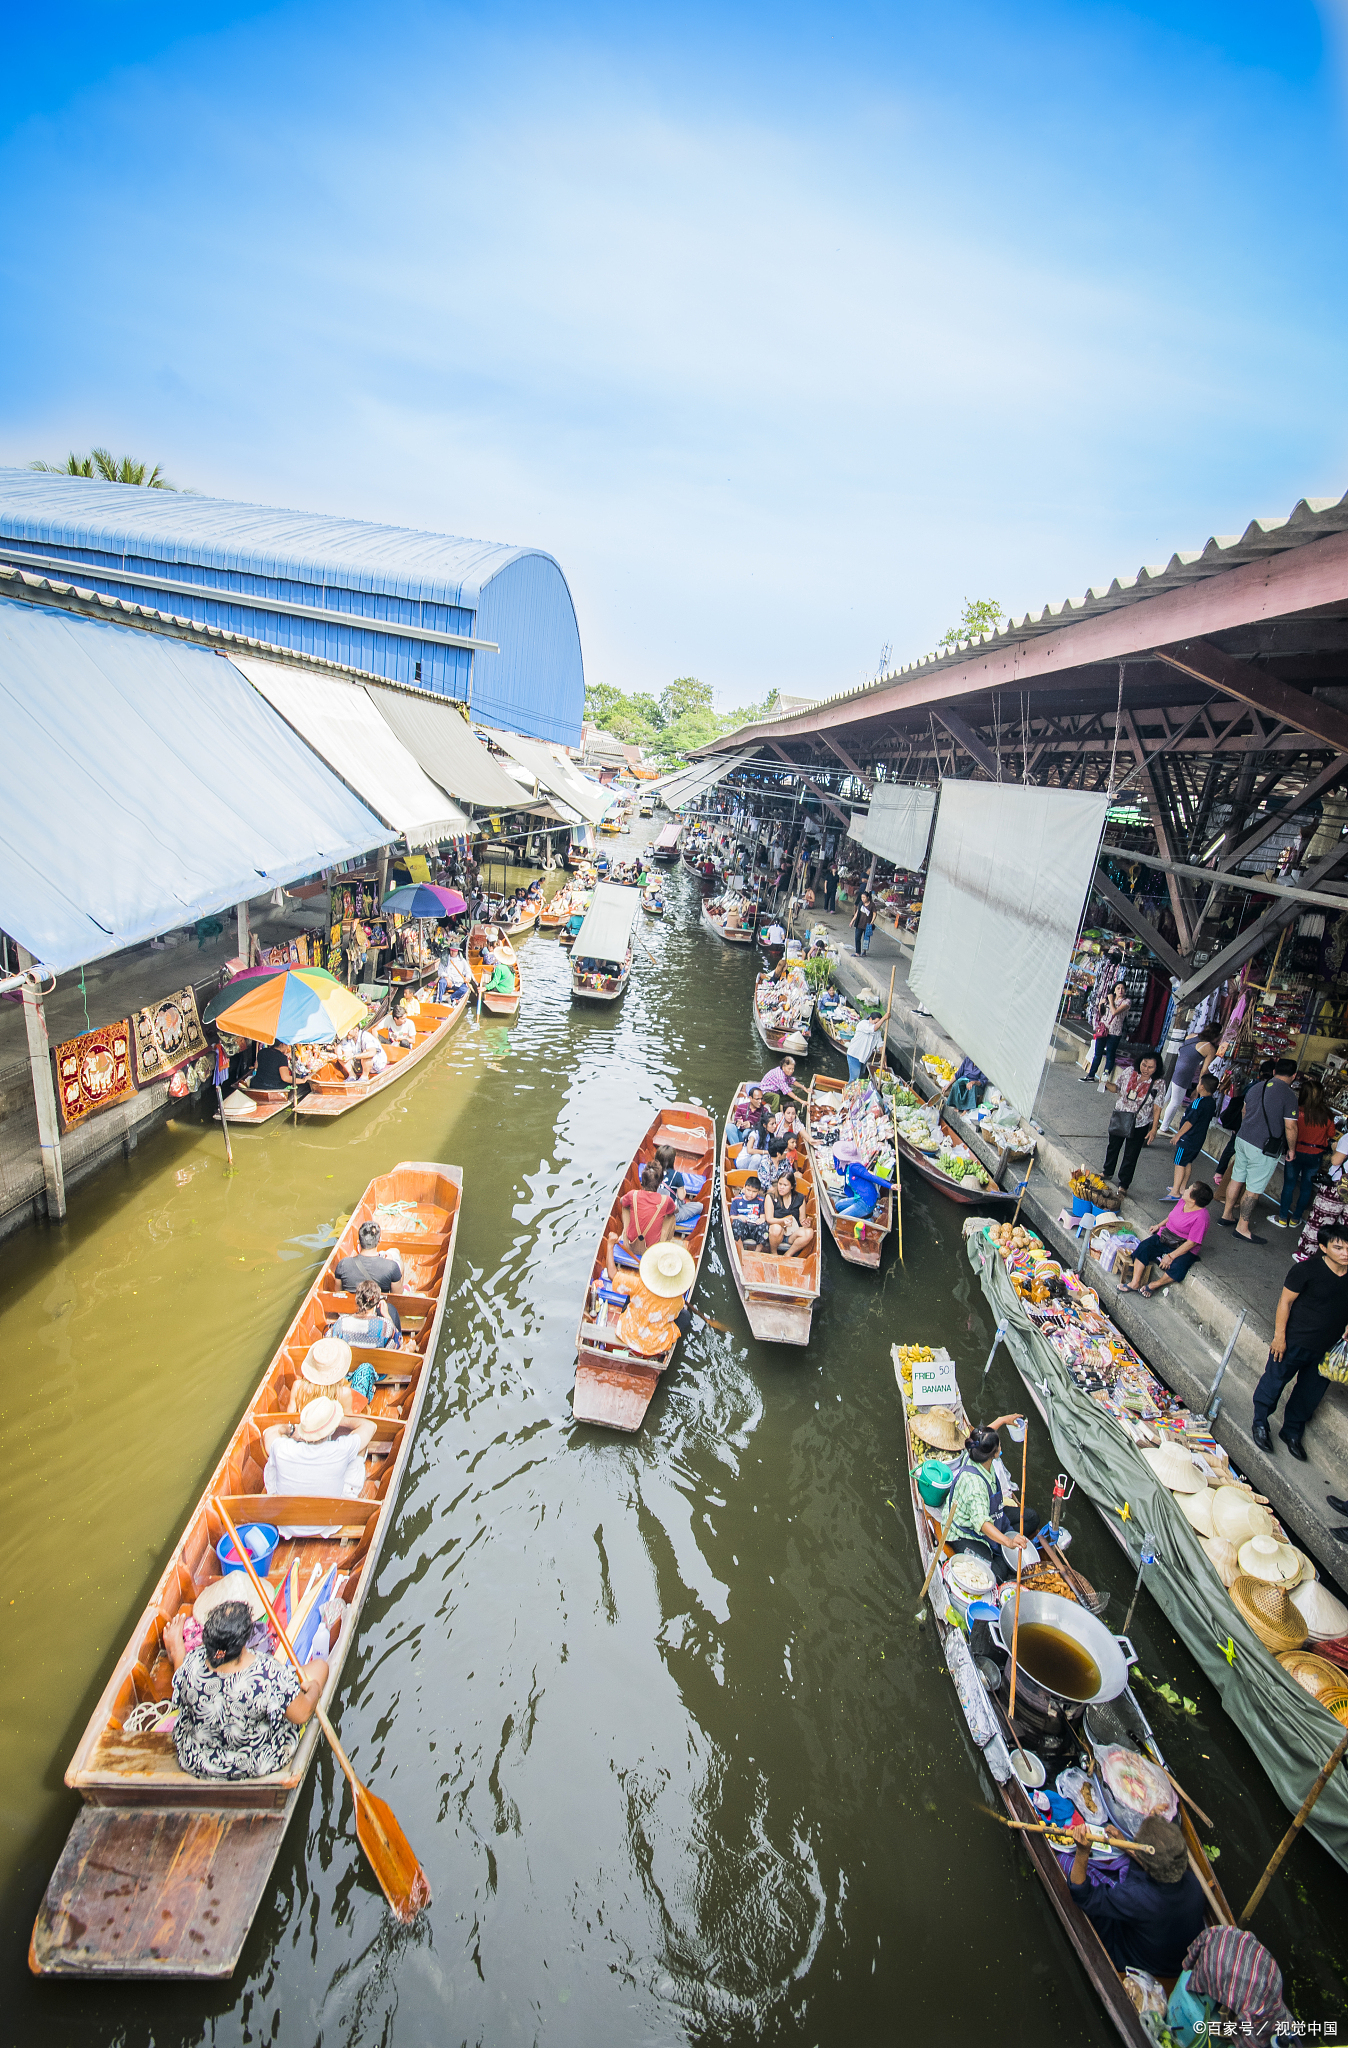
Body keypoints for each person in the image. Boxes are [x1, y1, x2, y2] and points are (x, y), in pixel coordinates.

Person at [164, 1588, 328, 1781]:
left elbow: (180, 1678)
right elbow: (301, 1714)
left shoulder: (192, 1663)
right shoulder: (267, 1673)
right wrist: (314, 1689)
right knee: (320, 1667)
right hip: (254, 1761)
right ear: (243, 1641)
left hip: (200, 1759)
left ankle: (176, 1649)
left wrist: (178, 1652)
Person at [1065, 1814, 1206, 1979]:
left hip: (1141, 1963)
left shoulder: (1137, 1896)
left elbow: (1083, 1895)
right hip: (1172, 1961)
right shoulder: (1193, 1883)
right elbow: (1158, 1865)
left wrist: (1082, 1852)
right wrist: (1127, 1846)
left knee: (1065, 1862)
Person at [1250, 1222, 1348, 1459]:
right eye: (1339, 1248)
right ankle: (1260, 1423)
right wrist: (1279, 1337)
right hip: (1294, 1340)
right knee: (1274, 1382)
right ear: (1324, 1248)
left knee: (1310, 1393)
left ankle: (1292, 1431)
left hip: (1327, 1349)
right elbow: (1285, 1302)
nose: (1345, 1253)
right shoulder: (1306, 1270)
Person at [262, 1396, 378, 1535]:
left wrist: (291, 1429)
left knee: (273, 1459)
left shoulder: (284, 1448)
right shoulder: (340, 1449)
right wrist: (340, 1420)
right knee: (360, 1448)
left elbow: (269, 1432)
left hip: (286, 1524)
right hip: (329, 1524)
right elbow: (370, 1426)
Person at [1219, 1057, 1299, 1243]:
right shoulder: (1289, 1096)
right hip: (1263, 1147)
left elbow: (1244, 1112)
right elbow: (1290, 1127)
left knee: (1237, 1178)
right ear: (1294, 1076)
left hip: (1243, 1138)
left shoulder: (1256, 1087)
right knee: (1253, 1189)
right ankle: (1242, 1227)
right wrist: (1292, 1149)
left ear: (1274, 1072)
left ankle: (1227, 1215)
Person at [944, 1420, 1032, 1583]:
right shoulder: (976, 1486)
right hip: (968, 1532)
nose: (1001, 1446)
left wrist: (1005, 1420)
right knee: (998, 1575)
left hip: (993, 1512)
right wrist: (1009, 1542)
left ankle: (1001, 1543)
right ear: (995, 1453)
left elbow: (988, 1433)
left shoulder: (976, 1451)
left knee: (1031, 1518)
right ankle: (1001, 1549)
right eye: (998, 1445)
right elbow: (982, 1523)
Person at [1124, 1183, 1214, 1297]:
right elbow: (1172, 1215)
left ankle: (1154, 1285)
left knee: (1178, 1268)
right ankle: (1135, 1283)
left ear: (1193, 1199)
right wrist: (1158, 1225)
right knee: (1144, 1247)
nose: (1185, 1190)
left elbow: (1192, 1242)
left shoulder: (1201, 1218)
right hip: (1166, 1236)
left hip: (1183, 1245)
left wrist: (1171, 1256)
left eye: (1188, 1189)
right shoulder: (1183, 1201)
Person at [612, 1242, 697, 1357]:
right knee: (685, 1316)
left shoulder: (639, 1284)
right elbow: (673, 1316)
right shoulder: (677, 1301)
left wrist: (609, 1245)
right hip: (653, 1345)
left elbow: (612, 1275)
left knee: (631, 1294)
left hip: (627, 1333)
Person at [1271, 1076, 1335, 1229]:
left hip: (1295, 1151)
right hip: (1315, 1155)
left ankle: (1282, 1217)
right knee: (1307, 1187)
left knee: (1289, 1185)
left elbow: (1288, 1129)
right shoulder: (1327, 1115)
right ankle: (1296, 1218)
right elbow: (1332, 1134)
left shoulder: (1295, 1112)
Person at [1101, 1051, 1163, 1194]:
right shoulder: (1129, 1071)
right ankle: (1107, 1172)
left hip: (1139, 1123)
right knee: (1113, 1147)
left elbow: (1157, 1107)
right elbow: (1117, 1088)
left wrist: (1153, 1129)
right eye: (1144, 1065)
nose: (1145, 1069)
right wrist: (1106, 1084)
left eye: (1150, 1067)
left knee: (1131, 1154)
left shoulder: (1159, 1083)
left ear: (1156, 1068)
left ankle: (1124, 1184)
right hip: (1121, 1116)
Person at [605, 1163, 677, 1283]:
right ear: (659, 1183)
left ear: (642, 1182)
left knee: (626, 1206)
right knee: (670, 1215)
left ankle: (626, 1232)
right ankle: (665, 1243)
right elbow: (675, 1210)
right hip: (652, 1251)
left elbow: (622, 1201)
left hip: (630, 1246)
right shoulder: (665, 1200)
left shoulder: (633, 1194)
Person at [287, 1336, 375, 1416]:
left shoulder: (298, 1386)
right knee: (366, 1368)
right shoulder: (344, 1393)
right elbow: (350, 1421)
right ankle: (370, 1392)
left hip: (309, 1429)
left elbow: (290, 1415)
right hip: (333, 1429)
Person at [1166, 1076, 1220, 1199]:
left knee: (1179, 1163)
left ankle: (1174, 1191)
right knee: (1188, 1162)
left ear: (1201, 1086)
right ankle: (1181, 1188)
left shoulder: (1198, 1103)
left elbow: (1190, 1121)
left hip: (1187, 1138)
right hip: (1198, 1139)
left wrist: (1178, 1135)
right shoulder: (1211, 1102)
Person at [1158, 1032, 1218, 1132]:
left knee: (1167, 1097)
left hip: (1176, 1068)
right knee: (1175, 1102)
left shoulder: (1192, 1036)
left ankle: (1154, 1120)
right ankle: (1163, 1128)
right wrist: (1199, 1087)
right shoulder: (1209, 1048)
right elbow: (1204, 1070)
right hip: (1184, 1074)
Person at [334, 1219, 403, 1294]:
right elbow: (397, 1296)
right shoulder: (391, 1267)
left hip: (353, 1303)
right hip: (378, 1304)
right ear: (379, 1240)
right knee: (395, 1254)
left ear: (358, 1241)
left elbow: (338, 1292)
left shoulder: (343, 1264)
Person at [331, 1278, 402, 1350]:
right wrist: (387, 1316)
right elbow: (398, 1343)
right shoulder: (386, 1326)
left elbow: (328, 1341)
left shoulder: (342, 1322)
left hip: (350, 1360)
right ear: (376, 1301)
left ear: (357, 1300)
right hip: (375, 1361)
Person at [1084, 981, 1132, 1084]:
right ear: (1114, 989)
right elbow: (1102, 1014)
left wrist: (1110, 1000)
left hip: (1115, 1032)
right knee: (1097, 1053)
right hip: (1103, 1029)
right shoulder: (1108, 999)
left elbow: (1115, 1012)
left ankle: (1104, 1079)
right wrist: (1101, 1004)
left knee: (1110, 1055)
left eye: (1122, 988)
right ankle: (1090, 1075)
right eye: (1118, 988)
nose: (1120, 990)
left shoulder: (1126, 1002)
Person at [765, 1168, 813, 1258]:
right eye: (780, 1184)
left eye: (785, 1185)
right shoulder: (771, 1196)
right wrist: (782, 1221)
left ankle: (788, 1254)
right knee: (776, 1228)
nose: (781, 1187)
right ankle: (773, 1253)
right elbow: (769, 1219)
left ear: (791, 1186)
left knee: (809, 1232)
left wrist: (805, 1223)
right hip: (776, 1233)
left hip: (792, 1233)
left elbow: (801, 1219)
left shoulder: (799, 1198)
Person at [654, 1142, 704, 1228]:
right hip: (671, 1215)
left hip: (653, 1211)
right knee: (700, 1206)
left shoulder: (651, 1171)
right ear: (672, 1160)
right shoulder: (676, 1175)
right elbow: (682, 1196)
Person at [847, 1012, 881, 1082]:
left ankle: (855, 1091)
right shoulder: (863, 1024)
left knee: (860, 1076)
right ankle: (850, 1091)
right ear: (870, 1019)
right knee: (854, 1078)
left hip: (864, 1057)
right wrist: (885, 1018)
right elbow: (873, 1029)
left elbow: (880, 1043)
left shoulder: (878, 1032)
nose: (878, 1025)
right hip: (854, 1055)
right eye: (876, 1022)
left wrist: (884, 1057)